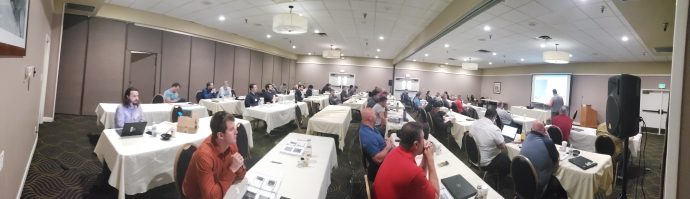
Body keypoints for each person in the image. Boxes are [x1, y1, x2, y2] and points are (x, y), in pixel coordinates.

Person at [182, 111, 247, 199]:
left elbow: (241, 176)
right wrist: (232, 169)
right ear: (220, 135)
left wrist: (238, 166)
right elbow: (211, 197)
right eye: (231, 130)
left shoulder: (231, 143)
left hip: (220, 188)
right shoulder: (204, 155)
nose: (236, 132)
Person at [374, 122, 439, 199]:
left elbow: (418, 178)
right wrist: (430, 159)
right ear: (416, 145)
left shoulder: (395, 150)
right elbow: (435, 196)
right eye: (423, 139)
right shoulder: (413, 171)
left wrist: (425, 156)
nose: (425, 141)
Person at [519, 121, 568, 199]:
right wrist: (549, 139)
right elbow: (557, 159)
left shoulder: (526, 138)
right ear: (544, 131)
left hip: (522, 183)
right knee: (561, 183)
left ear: (531, 129)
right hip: (538, 187)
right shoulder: (547, 143)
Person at [468, 109, 510, 179]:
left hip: (473, 159)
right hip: (485, 163)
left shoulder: (474, 123)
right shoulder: (494, 129)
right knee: (505, 160)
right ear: (494, 118)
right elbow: (502, 146)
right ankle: (497, 180)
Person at [359, 108, 394, 182]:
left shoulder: (369, 128)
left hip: (387, 156)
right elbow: (378, 159)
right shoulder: (369, 136)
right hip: (384, 166)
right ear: (370, 117)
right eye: (375, 114)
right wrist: (388, 146)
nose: (376, 116)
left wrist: (385, 142)